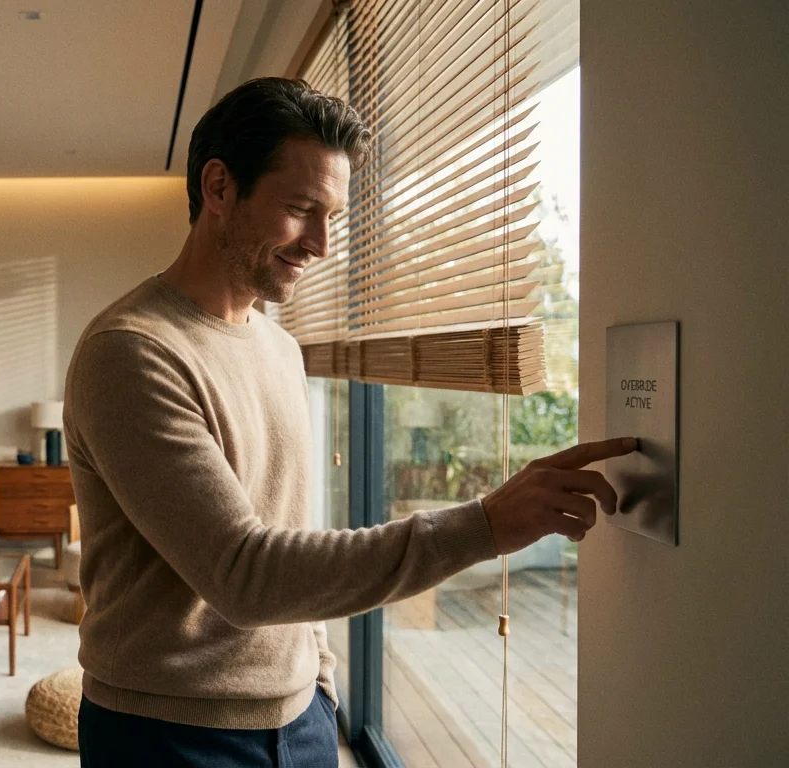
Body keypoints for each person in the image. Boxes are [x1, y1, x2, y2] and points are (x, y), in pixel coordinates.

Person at [63, 77, 637, 767]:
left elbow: (292, 531)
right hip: (169, 736)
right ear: (218, 189)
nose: (322, 244)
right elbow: (244, 573)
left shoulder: (278, 346)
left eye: (331, 214)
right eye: (302, 209)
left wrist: (321, 680)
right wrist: (484, 525)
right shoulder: (130, 353)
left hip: (300, 718)